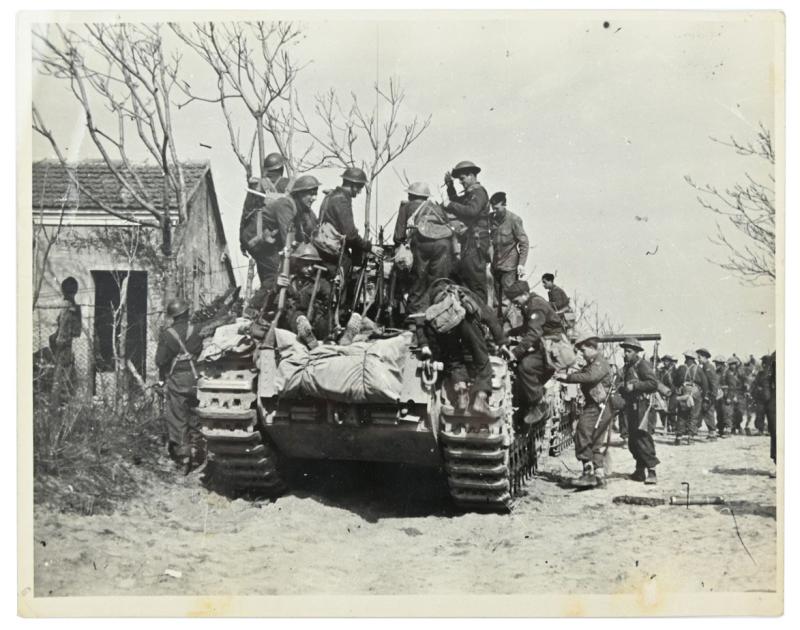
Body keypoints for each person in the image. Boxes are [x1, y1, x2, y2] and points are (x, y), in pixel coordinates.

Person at [424, 280, 508, 416]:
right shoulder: (461, 291)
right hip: (469, 324)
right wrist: (501, 341)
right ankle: (481, 397)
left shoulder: (434, 302)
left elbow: (431, 331)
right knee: (482, 361)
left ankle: (461, 392)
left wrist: (436, 356)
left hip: (448, 332)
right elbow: (488, 315)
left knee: (455, 362)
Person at [243, 175, 321, 316]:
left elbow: (300, 235)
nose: (314, 198)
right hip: (256, 240)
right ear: (299, 193)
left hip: (267, 242)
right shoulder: (286, 205)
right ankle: (251, 308)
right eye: (310, 194)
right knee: (275, 274)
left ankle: (265, 309)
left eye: (315, 194)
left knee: (271, 274)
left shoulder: (296, 207)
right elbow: (288, 237)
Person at [556, 332, 615, 489]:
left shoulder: (599, 363)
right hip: (598, 406)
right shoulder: (592, 363)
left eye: (583, 350)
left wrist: (567, 378)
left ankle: (588, 473)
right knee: (595, 441)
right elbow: (583, 374)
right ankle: (599, 477)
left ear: (592, 347)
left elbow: (590, 377)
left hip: (597, 406)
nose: (582, 354)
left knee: (582, 433)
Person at [155, 298, 204, 473]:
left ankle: (184, 459)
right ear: (186, 313)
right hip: (197, 379)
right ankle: (198, 452)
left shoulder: (168, 334)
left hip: (178, 380)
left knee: (178, 419)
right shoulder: (197, 330)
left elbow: (160, 360)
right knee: (196, 417)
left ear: (172, 316)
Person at [504, 280, 563, 424]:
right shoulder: (529, 304)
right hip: (545, 343)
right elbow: (527, 327)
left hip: (552, 345)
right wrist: (509, 332)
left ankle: (539, 403)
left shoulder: (535, 305)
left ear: (525, 294)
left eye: (516, 300)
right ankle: (529, 402)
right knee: (519, 367)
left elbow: (534, 333)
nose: (515, 304)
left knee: (526, 366)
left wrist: (515, 353)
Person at [394, 182, 453, 314]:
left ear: (410, 195)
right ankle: (438, 316)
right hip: (443, 245)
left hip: (421, 243)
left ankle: (414, 321)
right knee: (439, 283)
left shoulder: (406, 206)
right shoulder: (436, 207)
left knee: (418, 281)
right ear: (426, 197)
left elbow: (398, 236)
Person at [318, 167, 381, 283]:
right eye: (360, 187)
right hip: (334, 251)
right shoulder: (341, 200)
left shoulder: (331, 195)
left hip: (324, 246)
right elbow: (350, 234)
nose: (360, 191)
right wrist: (369, 247)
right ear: (353, 185)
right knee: (341, 288)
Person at [444, 160, 491, 301]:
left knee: (475, 278)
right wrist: (450, 186)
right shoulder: (471, 193)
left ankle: (482, 316)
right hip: (470, 240)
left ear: (471, 175)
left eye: (462, 178)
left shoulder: (478, 192)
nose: (461, 182)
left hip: (477, 241)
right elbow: (459, 203)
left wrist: (450, 205)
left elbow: (471, 211)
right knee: (467, 276)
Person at [619, 338, 659, 484]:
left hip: (642, 405)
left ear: (636, 352)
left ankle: (652, 472)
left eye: (628, 351)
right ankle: (639, 471)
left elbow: (653, 383)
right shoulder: (628, 366)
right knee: (633, 440)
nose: (625, 354)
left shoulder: (642, 365)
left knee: (643, 438)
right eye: (624, 351)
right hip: (632, 406)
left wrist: (635, 387)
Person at [239, 153, 290, 255]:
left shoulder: (256, 186)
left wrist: (242, 242)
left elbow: (246, 214)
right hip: (285, 238)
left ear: (267, 169)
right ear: (281, 168)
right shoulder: (290, 185)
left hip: (261, 240)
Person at [282, 243, 331, 348]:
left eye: (312, 265)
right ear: (298, 263)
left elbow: (328, 297)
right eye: (306, 264)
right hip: (294, 322)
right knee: (297, 315)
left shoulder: (319, 282)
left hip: (314, 321)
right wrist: (277, 287)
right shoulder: (290, 281)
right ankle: (306, 335)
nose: (310, 269)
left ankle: (314, 338)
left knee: (322, 321)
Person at [489, 192, 529, 306]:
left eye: (497, 208)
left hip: (509, 266)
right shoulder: (490, 219)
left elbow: (524, 242)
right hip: (496, 265)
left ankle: (510, 323)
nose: (495, 212)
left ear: (504, 205)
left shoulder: (514, 220)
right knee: (496, 300)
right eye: (493, 209)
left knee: (508, 299)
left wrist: (521, 264)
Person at [49, 276, 82, 408]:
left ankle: (56, 407)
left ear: (63, 291)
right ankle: (61, 406)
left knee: (59, 378)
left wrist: (56, 341)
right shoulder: (75, 308)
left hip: (62, 347)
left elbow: (63, 330)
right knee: (66, 378)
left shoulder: (66, 308)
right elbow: (76, 332)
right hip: (67, 346)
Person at [673, 350, 707, 445]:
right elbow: (704, 384)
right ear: (694, 359)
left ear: (686, 358)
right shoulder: (698, 369)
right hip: (695, 393)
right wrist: (704, 396)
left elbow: (675, 382)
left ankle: (678, 437)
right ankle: (690, 438)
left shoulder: (681, 368)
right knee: (694, 415)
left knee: (681, 414)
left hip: (683, 392)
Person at [696, 348, 719, 440]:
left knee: (709, 412)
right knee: (705, 412)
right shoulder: (705, 366)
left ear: (705, 357)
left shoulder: (708, 367)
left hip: (708, 394)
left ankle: (713, 433)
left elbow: (713, 382)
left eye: (699, 357)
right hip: (706, 393)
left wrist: (712, 395)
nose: (698, 359)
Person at [714, 355, 732, 437]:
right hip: (718, 395)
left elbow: (732, 386)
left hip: (726, 394)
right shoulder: (716, 373)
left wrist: (729, 397)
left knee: (726, 412)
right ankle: (720, 429)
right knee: (719, 413)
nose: (716, 365)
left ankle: (728, 430)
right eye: (715, 363)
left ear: (722, 364)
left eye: (717, 363)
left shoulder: (727, 372)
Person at [726, 357, 745, 434]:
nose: (733, 366)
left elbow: (744, 382)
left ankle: (738, 426)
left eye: (734, 364)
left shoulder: (740, 372)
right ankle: (732, 427)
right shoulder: (727, 373)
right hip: (730, 393)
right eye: (731, 364)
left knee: (739, 412)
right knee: (731, 412)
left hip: (739, 394)